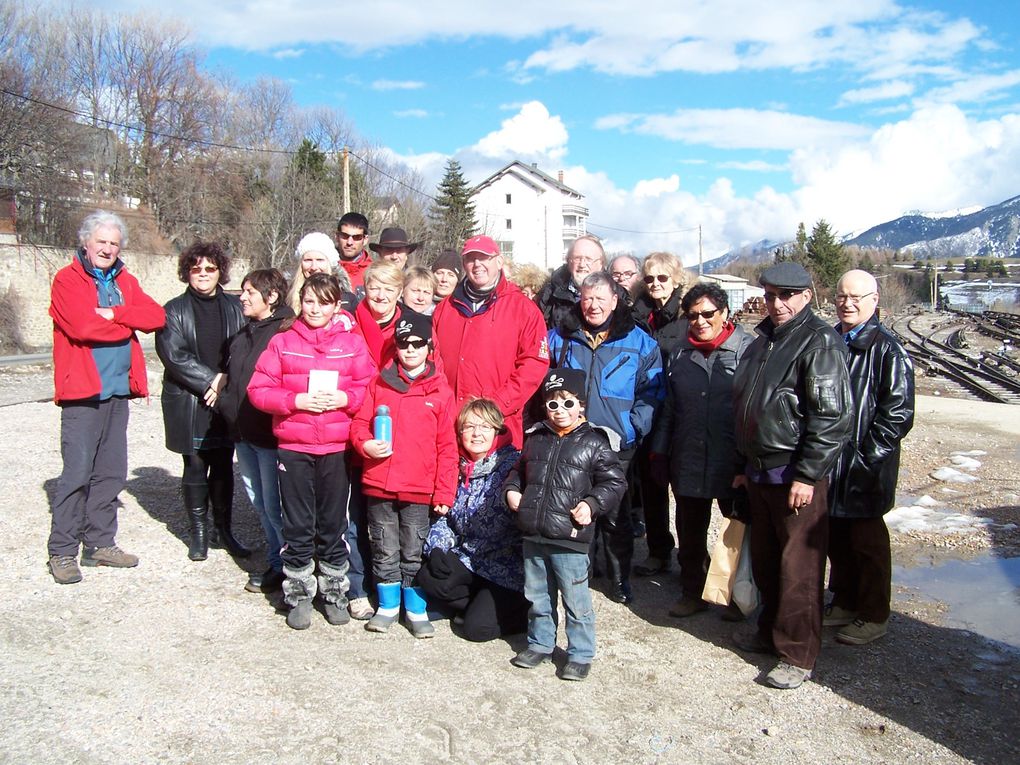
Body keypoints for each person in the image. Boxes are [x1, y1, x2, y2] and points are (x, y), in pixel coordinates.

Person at [731, 262, 852, 689]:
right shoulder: (763, 338)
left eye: (786, 295)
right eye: (770, 295)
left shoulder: (820, 342)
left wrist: (808, 474)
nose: (777, 303)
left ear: (805, 296)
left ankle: (798, 654)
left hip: (794, 476)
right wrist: (744, 467)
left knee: (798, 569)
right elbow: (748, 404)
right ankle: (769, 633)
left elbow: (831, 417)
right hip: (760, 471)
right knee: (766, 562)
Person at [247, 274, 375, 629]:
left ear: (337, 306)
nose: (315, 308)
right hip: (294, 446)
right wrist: (294, 400)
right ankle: (299, 593)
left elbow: (370, 387)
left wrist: (346, 399)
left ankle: (334, 591)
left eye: (323, 302)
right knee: (298, 523)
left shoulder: (351, 344)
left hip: (336, 447)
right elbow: (259, 389)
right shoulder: (283, 342)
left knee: (333, 523)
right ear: (300, 301)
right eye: (309, 301)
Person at [46, 210, 165, 584]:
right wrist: (124, 323)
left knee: (111, 473)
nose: (108, 248)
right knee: (77, 473)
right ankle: (62, 550)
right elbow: (82, 326)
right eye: (102, 241)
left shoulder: (125, 280)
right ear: (86, 242)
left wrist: (113, 313)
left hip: (117, 391)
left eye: (114, 243)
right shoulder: (67, 280)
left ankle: (100, 543)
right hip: (82, 392)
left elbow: (156, 317)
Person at [547, 271, 663, 604]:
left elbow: (652, 392)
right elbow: (543, 382)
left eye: (600, 298)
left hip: (617, 443)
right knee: (575, 509)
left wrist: (634, 427)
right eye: (587, 298)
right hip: (572, 440)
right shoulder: (560, 337)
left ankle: (619, 577)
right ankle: (579, 574)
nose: (593, 305)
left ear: (615, 300)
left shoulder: (641, 342)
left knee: (615, 515)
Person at [505, 369, 626, 681]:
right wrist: (512, 491)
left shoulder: (595, 443)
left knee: (576, 600)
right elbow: (518, 472)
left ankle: (580, 652)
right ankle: (541, 643)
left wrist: (591, 504)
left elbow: (614, 482)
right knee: (537, 594)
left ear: (581, 404)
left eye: (568, 404)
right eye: (553, 405)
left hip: (569, 537)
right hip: (533, 532)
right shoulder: (536, 439)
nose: (561, 412)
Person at [648, 283, 753, 617]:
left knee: (736, 529)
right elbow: (669, 409)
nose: (700, 321)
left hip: (731, 458)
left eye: (708, 314)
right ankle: (692, 591)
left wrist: (750, 463)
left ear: (724, 313)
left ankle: (736, 594)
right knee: (690, 530)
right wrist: (660, 453)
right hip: (689, 456)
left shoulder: (749, 351)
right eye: (693, 315)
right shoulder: (679, 353)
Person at [351, 311, 458, 638]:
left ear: (429, 347)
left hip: (419, 487)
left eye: (417, 343)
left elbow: (447, 446)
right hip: (381, 484)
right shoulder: (378, 383)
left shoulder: (441, 391)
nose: (410, 350)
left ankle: (415, 606)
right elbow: (358, 424)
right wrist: (365, 444)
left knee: (414, 548)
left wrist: (443, 492)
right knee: (384, 545)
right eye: (403, 343)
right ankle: (387, 605)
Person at [825, 269, 915, 645]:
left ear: (874, 300)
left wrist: (867, 458)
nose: (848, 304)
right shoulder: (830, 340)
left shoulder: (887, 349)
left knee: (868, 543)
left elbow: (898, 413)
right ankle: (844, 602)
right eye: (842, 296)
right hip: (832, 461)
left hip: (864, 466)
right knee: (835, 539)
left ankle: (875, 613)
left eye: (857, 298)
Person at [156, 242, 248, 562]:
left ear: (220, 270)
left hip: (225, 396)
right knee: (194, 464)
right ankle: (198, 531)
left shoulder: (238, 306)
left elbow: (246, 349)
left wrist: (226, 381)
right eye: (196, 269)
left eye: (210, 268)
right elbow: (174, 356)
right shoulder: (173, 310)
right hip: (188, 398)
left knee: (223, 464)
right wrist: (210, 379)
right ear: (187, 273)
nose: (203, 274)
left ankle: (224, 529)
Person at [418, 399, 529, 641]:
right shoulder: (454, 466)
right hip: (469, 558)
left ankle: (527, 612)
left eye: (485, 427)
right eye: (469, 427)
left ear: (497, 432)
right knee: (429, 575)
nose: (476, 433)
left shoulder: (513, 466)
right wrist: (437, 546)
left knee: (476, 630)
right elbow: (444, 517)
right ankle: (475, 601)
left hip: (505, 564)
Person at [432, 235, 549, 449]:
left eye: (484, 258)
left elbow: (534, 364)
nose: (477, 265)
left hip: (499, 427)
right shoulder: (445, 308)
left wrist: (494, 406)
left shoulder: (523, 309)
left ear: (499, 261)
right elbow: (433, 361)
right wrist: (447, 405)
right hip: (451, 426)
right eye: (471, 259)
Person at [217, 268, 294, 594]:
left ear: (271, 297)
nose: (242, 297)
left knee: (275, 506)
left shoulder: (282, 332)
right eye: (243, 291)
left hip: (268, 436)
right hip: (242, 435)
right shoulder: (244, 332)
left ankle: (290, 569)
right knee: (260, 504)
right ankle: (276, 561)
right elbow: (232, 373)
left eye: (250, 291)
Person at [631, 251, 692, 577]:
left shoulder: (688, 315)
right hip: (649, 412)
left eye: (662, 278)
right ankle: (658, 550)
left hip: (681, 412)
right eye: (650, 278)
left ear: (676, 279)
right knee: (652, 487)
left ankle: (692, 558)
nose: (655, 284)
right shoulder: (638, 314)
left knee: (683, 490)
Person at [535, 234, 606, 329]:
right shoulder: (549, 294)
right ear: (569, 262)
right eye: (577, 258)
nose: (582, 264)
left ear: (601, 264)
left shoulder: (615, 294)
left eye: (588, 259)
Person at [287, 232, 356, 315]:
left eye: (320, 260)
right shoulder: (286, 297)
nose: (314, 267)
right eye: (308, 260)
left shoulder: (346, 300)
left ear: (329, 263)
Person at [355, 260, 405, 367]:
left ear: (399, 292)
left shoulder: (414, 326)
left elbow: (433, 374)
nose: (381, 296)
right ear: (365, 289)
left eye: (389, 290)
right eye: (374, 288)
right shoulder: (348, 324)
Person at [335, 212, 372, 298]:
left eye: (356, 237)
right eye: (344, 236)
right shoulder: (324, 267)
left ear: (365, 239)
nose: (349, 242)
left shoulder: (374, 272)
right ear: (337, 236)